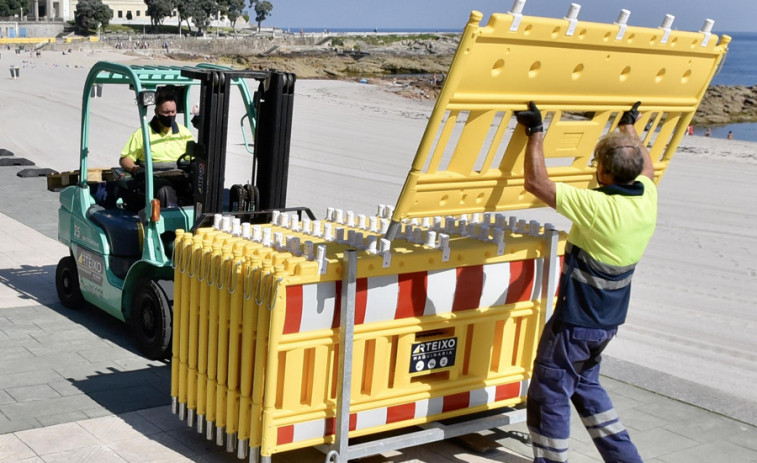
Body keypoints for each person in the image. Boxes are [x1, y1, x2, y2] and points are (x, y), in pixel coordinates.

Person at [516, 101, 656, 463]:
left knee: (549, 393)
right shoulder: (647, 197)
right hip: (607, 325)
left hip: (576, 323)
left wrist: (535, 132)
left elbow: (536, 182)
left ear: (604, 174)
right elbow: (648, 166)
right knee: (586, 388)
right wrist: (629, 129)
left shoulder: (596, 206)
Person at [120, 89, 194, 208]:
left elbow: (193, 157)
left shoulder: (184, 133)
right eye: (166, 112)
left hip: (179, 173)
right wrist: (135, 169)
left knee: (202, 184)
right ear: (157, 112)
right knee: (165, 190)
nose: (170, 115)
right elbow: (125, 158)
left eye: (172, 112)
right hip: (154, 175)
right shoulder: (143, 133)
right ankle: (169, 222)